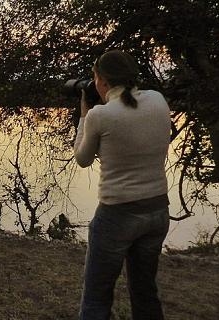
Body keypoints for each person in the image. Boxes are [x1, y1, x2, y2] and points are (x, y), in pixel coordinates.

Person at [74, 50, 171, 320]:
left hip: (117, 214)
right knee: (145, 292)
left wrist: (83, 117)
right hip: (157, 210)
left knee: (97, 296)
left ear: (102, 80)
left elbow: (82, 159)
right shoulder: (158, 100)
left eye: (95, 79)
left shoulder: (100, 115)